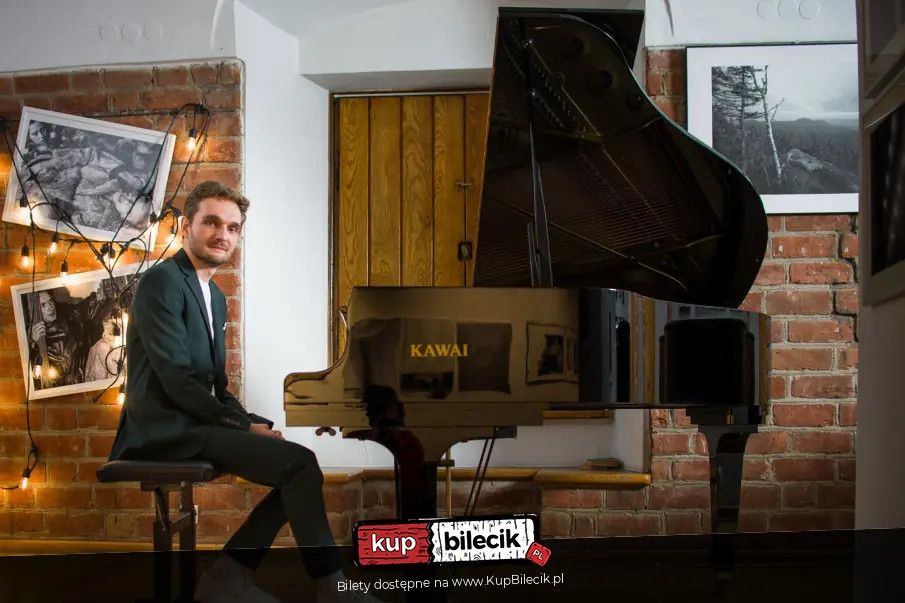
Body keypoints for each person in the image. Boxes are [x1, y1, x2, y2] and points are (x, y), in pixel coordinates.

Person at [108, 181, 375, 603]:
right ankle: (326, 587)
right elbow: (178, 380)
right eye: (212, 223)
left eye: (233, 228)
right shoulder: (161, 282)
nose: (223, 235)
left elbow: (216, 386)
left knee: (296, 466)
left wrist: (253, 422)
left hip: (194, 420)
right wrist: (243, 427)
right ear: (186, 227)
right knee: (300, 466)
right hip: (162, 427)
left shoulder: (214, 296)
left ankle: (228, 577)